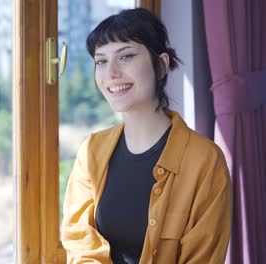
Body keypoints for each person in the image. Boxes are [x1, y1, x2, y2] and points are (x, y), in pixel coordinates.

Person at [61, 8, 232, 264]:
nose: (111, 73)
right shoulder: (91, 151)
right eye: (101, 61)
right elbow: (79, 241)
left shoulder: (205, 161)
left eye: (126, 56)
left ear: (161, 65)